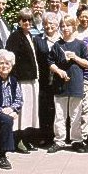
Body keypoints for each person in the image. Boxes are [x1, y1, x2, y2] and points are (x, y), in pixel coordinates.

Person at [46, 14, 88, 154]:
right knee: (59, 115)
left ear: (74, 27)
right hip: (60, 84)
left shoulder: (80, 44)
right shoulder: (57, 45)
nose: (65, 28)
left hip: (76, 84)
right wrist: (58, 71)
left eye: (68, 25)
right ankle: (59, 141)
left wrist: (75, 57)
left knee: (76, 114)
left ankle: (76, 141)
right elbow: (50, 62)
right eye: (63, 26)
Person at [5, 8, 40, 153]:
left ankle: (26, 138)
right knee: (22, 111)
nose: (27, 22)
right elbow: (10, 59)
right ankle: (18, 140)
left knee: (30, 111)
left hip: (31, 79)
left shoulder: (30, 36)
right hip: (21, 80)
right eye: (24, 20)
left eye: (29, 20)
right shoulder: (15, 36)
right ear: (19, 21)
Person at [33, 12, 61, 145]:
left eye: (51, 23)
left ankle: (60, 135)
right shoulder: (38, 39)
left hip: (60, 79)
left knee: (58, 108)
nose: (48, 26)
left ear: (57, 25)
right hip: (44, 79)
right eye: (45, 24)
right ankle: (45, 136)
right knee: (44, 108)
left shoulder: (62, 39)